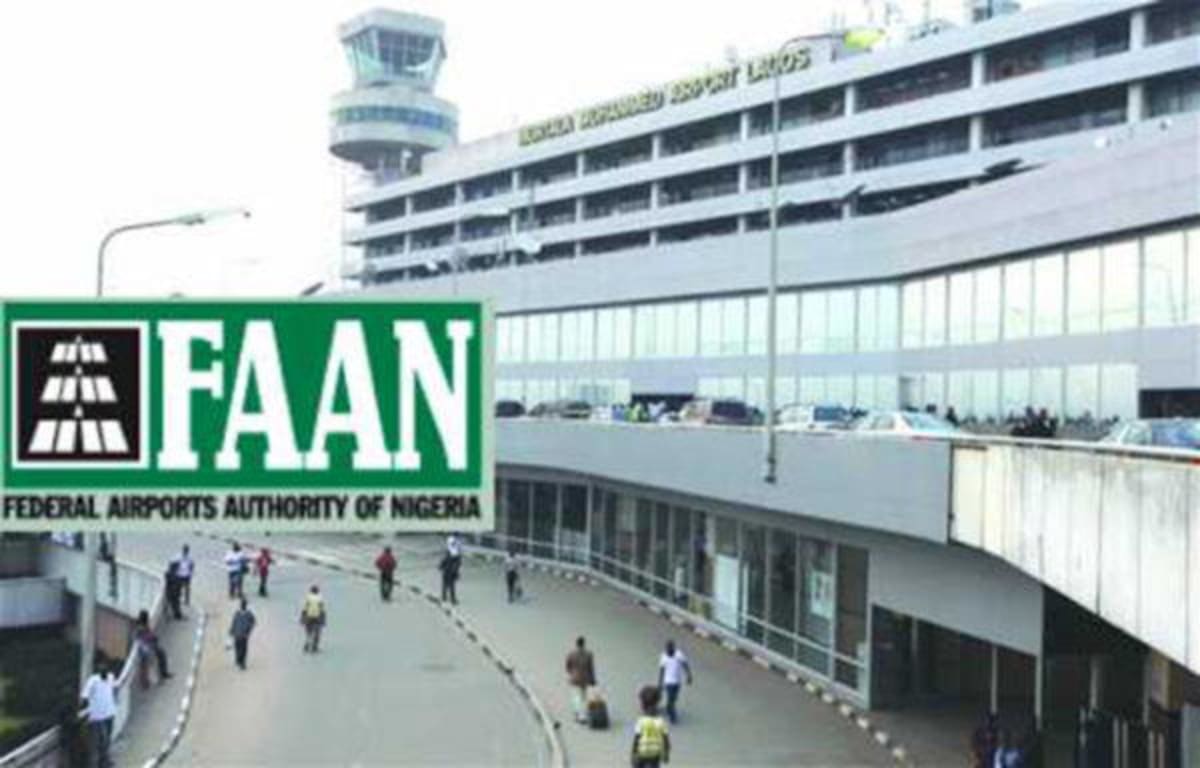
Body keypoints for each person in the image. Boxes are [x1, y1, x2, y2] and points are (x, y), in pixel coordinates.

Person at [81, 662, 117, 768]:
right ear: (98, 671)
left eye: (105, 670)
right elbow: (85, 697)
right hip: (97, 717)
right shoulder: (93, 681)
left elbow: (114, 689)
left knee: (107, 740)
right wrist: (86, 711)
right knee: (98, 742)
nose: (104, 672)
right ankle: (95, 764)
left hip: (109, 713)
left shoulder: (111, 677)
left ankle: (105, 762)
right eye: (102, 670)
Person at [631, 685, 671, 767]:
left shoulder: (641, 721)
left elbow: (636, 739)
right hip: (655, 752)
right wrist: (666, 753)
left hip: (642, 752)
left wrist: (634, 753)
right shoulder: (661, 722)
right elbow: (665, 739)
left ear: (643, 705)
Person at [657, 640, 693, 724]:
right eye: (667, 649)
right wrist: (660, 683)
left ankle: (668, 708)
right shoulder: (663, 657)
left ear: (673, 648)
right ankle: (673, 717)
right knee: (670, 700)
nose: (668, 650)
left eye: (670, 648)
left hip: (677, 682)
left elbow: (685, 665)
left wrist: (689, 675)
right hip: (668, 682)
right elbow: (662, 670)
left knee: (673, 699)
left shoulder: (679, 655)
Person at [133, 610, 171, 686]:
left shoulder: (144, 624)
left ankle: (163, 673)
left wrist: (153, 638)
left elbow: (149, 634)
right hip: (145, 648)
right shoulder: (139, 627)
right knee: (151, 663)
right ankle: (155, 680)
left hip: (151, 645)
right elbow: (140, 638)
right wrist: (151, 639)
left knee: (161, 654)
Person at [564, 636, 597, 724]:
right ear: (584, 644)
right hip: (585, 679)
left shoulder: (571, 654)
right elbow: (591, 668)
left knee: (576, 697)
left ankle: (578, 715)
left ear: (577, 644)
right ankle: (584, 715)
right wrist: (593, 679)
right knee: (584, 697)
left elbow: (568, 666)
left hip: (575, 679)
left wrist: (571, 673)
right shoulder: (589, 654)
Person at [229, 598, 257, 670]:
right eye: (242, 604)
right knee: (238, 647)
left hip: (243, 635)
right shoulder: (238, 613)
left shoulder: (248, 614)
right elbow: (234, 622)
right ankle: (239, 660)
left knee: (243, 649)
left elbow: (253, 622)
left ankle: (242, 662)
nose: (243, 606)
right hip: (238, 634)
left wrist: (248, 629)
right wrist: (231, 631)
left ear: (245, 606)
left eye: (243, 604)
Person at [300, 585, 327, 653]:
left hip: (308, 617)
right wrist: (323, 620)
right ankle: (314, 648)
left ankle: (306, 646)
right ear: (318, 591)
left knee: (309, 633)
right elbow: (322, 610)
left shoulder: (307, 598)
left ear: (311, 591)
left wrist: (302, 619)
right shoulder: (320, 598)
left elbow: (304, 609)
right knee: (317, 633)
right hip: (317, 617)